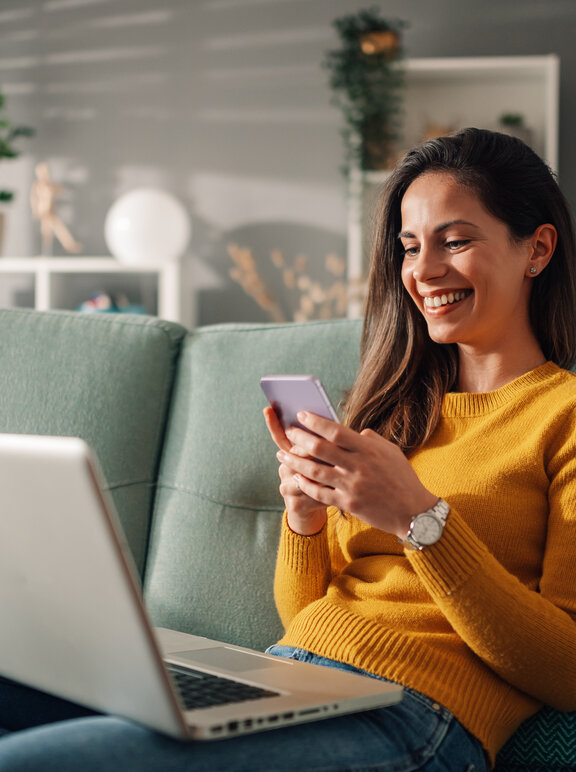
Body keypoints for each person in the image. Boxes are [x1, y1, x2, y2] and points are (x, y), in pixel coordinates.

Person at [0, 127, 575, 771]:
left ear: (537, 248)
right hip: (296, 679)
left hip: (417, 719)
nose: (423, 270)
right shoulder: (392, 412)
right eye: (410, 247)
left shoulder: (563, 417)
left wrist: (422, 522)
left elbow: (567, 671)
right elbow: (305, 616)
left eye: (456, 240)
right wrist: (303, 520)